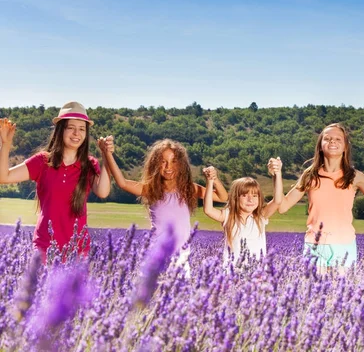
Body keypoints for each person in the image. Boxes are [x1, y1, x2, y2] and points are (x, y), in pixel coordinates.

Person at [278, 123, 364, 274]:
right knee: (312, 294)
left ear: (345, 147)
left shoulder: (355, 177)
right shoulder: (310, 175)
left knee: (342, 294)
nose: (332, 142)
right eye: (327, 139)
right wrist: (277, 175)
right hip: (315, 245)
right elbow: (283, 206)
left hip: (344, 246)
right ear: (320, 146)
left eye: (338, 139)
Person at [0, 102, 111, 260]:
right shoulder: (42, 161)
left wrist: (106, 156)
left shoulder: (89, 164)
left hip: (77, 251)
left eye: (81, 129)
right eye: (71, 127)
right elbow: (4, 177)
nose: (76, 133)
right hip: (45, 248)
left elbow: (103, 192)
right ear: (61, 129)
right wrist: (6, 144)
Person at [99, 137, 228, 271]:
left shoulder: (188, 188)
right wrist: (107, 154)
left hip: (181, 258)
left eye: (174, 162)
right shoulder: (151, 189)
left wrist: (214, 179)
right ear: (156, 164)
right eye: (163, 162)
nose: (168, 167)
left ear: (181, 165)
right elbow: (123, 183)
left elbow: (222, 196)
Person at [203, 157, 283, 264]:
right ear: (235, 198)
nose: (250, 199)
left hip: (257, 273)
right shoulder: (228, 215)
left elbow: (277, 201)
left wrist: (277, 174)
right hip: (232, 273)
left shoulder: (260, 216)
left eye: (255, 196)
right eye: (244, 195)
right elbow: (208, 210)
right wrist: (210, 182)